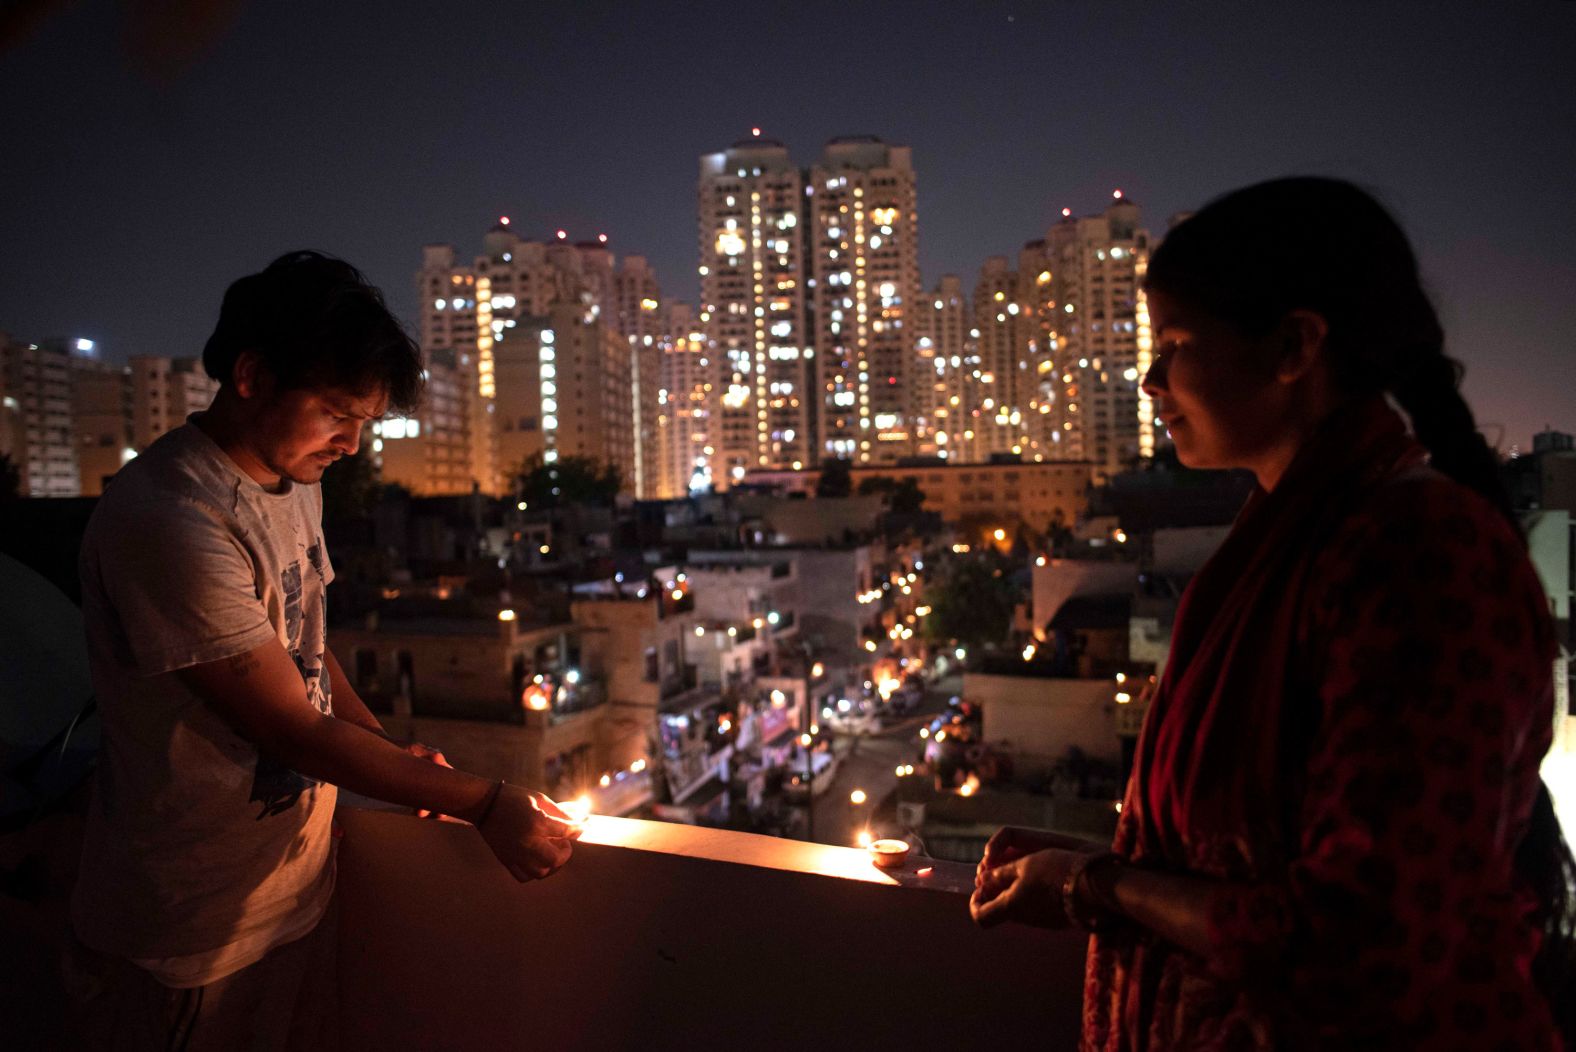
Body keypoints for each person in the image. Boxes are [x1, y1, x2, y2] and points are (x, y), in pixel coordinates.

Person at [970, 178, 1575, 1050]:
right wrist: (1113, 865)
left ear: (1294, 345)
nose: (1150, 381)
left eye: (1175, 343)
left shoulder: (1421, 557)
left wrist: (1096, 886)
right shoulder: (1288, 536)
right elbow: (1265, 841)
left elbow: (1361, 938)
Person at [67, 251, 582, 1050]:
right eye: (338, 412)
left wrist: (384, 753)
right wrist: (483, 803)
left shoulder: (293, 480)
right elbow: (289, 729)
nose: (350, 443)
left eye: (365, 423)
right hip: (191, 930)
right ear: (252, 375)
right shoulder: (171, 520)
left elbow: (307, 649)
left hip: (294, 891)